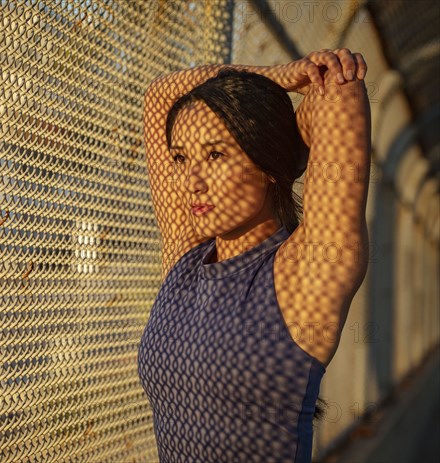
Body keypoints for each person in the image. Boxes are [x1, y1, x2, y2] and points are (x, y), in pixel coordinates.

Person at [137, 49, 371, 462]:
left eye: (216, 155)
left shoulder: (304, 274)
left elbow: (338, 89)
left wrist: (281, 142)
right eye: (181, 157)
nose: (192, 182)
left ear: (266, 163)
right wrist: (278, 76)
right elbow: (159, 96)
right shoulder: (185, 259)